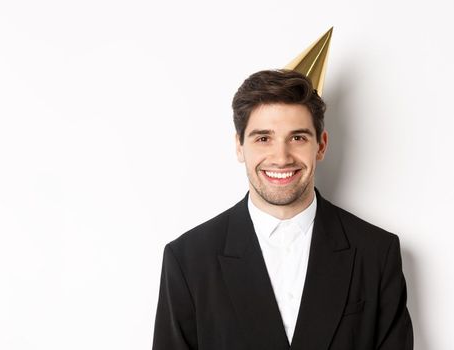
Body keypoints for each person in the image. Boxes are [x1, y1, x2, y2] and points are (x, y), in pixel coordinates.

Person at [152, 69, 413, 350]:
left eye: (297, 138)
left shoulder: (376, 253)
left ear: (321, 145)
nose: (281, 157)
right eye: (263, 138)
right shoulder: (188, 260)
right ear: (239, 146)